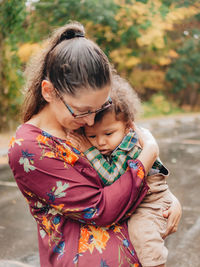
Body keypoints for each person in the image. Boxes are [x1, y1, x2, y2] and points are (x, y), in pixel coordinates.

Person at [8, 22, 181, 267]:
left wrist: (168, 199)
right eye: (83, 111)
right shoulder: (29, 147)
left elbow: (126, 156)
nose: (91, 121)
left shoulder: (84, 125)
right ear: (48, 92)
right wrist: (149, 154)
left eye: (99, 108)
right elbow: (101, 210)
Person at [69, 75, 176, 267]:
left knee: (141, 232)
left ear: (127, 126)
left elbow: (112, 177)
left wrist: (89, 150)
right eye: (92, 136)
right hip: (139, 197)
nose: (101, 142)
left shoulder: (130, 144)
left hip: (150, 201)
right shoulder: (114, 143)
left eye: (108, 133)